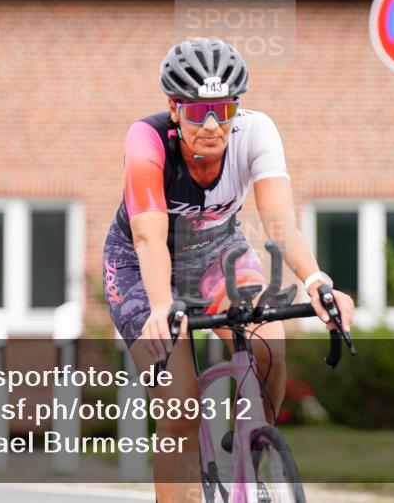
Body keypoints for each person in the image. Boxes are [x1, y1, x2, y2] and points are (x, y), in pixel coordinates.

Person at [101, 37, 355, 502]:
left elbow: (279, 221)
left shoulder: (256, 132)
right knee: (179, 406)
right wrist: (161, 307)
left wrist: (316, 280)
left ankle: (254, 449)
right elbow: (149, 237)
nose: (213, 124)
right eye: (198, 112)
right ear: (174, 108)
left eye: (224, 109)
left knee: (270, 349)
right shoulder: (147, 140)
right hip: (142, 267)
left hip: (219, 255)